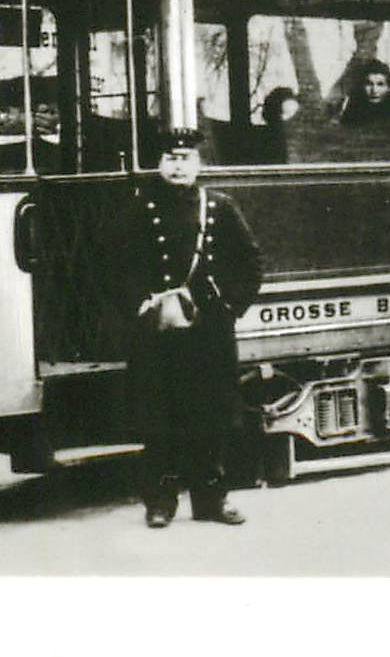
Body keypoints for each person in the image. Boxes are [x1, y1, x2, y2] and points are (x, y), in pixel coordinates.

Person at [121, 127, 264, 528]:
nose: (178, 166)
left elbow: (251, 261)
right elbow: (115, 264)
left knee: (211, 415)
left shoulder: (218, 207)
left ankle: (211, 500)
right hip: (158, 330)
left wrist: (229, 307)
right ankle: (160, 503)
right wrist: (140, 304)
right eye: (171, 158)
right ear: (159, 164)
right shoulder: (139, 208)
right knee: (159, 417)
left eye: (186, 159)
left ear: (198, 164)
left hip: (208, 330)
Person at [337, 59, 390, 126]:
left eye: (380, 84)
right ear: (362, 86)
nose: (374, 90)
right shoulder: (352, 116)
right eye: (369, 84)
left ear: (388, 88)